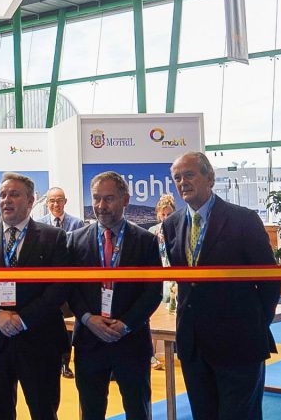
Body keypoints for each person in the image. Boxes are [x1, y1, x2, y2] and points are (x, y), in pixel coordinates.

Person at [161, 151, 280, 420]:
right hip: (194, 346)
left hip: (239, 342)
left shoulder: (243, 220)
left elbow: (269, 279)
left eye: (189, 175)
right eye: (177, 178)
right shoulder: (171, 225)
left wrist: (255, 323)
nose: (182, 182)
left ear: (210, 178)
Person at [0, 173, 69, 420]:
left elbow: (59, 287)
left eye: (14, 194)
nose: (6, 200)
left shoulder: (53, 237)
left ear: (31, 201)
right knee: (0, 411)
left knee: (44, 411)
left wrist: (23, 319)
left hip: (39, 339)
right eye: (2, 195)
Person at [67, 172, 162, 420]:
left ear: (125, 200)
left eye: (108, 199)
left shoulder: (146, 241)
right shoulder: (74, 241)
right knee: (91, 411)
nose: (101, 206)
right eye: (96, 198)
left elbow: (153, 291)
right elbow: (69, 288)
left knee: (138, 410)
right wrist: (87, 318)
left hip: (131, 342)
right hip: (89, 341)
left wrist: (126, 324)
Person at [36, 186, 82, 378]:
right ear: (47, 203)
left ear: (65, 202)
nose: (56, 204)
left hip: (68, 284)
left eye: (59, 200)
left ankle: (65, 363)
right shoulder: (38, 224)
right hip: (46, 285)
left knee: (69, 325)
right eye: (52, 201)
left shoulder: (77, 223)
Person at [150, 194, 178, 369]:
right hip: (159, 276)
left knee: (173, 314)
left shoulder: (179, 229)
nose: (166, 218)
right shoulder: (153, 231)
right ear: (158, 215)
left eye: (169, 214)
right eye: (163, 214)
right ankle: (151, 355)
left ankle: (173, 352)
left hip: (174, 276)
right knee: (155, 316)